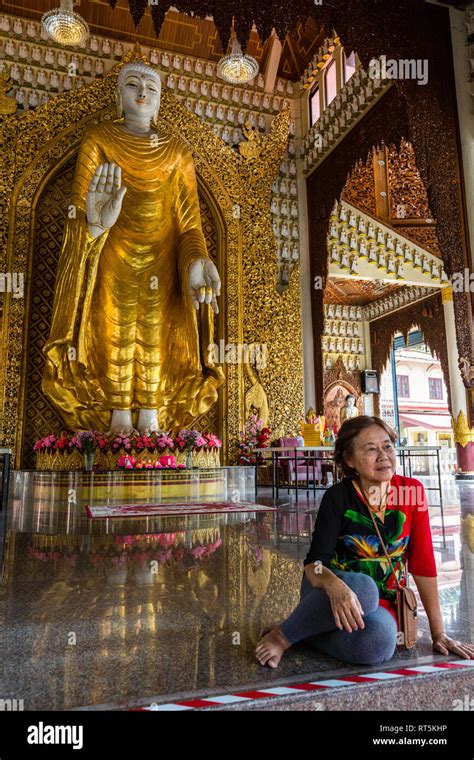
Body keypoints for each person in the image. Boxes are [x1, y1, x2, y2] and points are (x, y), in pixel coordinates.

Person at [42, 60, 224, 435]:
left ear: (160, 103)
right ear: (118, 95)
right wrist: (94, 222)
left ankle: (152, 423)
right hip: (112, 252)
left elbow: (189, 224)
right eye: (133, 85)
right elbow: (80, 209)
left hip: (163, 261)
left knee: (158, 334)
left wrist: (197, 261)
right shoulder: (99, 139)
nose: (142, 94)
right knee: (113, 329)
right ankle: (117, 423)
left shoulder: (177, 152)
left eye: (152, 89)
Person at [256, 415, 474, 667]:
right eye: (370, 449)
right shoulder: (338, 497)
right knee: (365, 589)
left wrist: (439, 633)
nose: (383, 455)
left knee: (381, 641)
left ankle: (305, 633)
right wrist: (336, 586)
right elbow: (313, 566)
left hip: (383, 603)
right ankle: (283, 636)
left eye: (387, 446)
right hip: (327, 593)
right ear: (349, 460)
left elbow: (423, 564)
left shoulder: (412, 492)